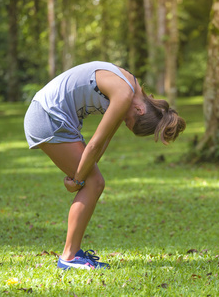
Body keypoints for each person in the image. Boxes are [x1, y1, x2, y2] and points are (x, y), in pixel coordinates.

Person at [23, 61, 186, 270]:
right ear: (140, 109)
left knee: (94, 181)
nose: (125, 123)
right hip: (48, 115)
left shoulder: (130, 87)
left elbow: (105, 140)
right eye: (129, 121)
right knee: (94, 183)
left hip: (50, 113)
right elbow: (95, 143)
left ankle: (73, 253)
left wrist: (82, 173)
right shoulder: (124, 94)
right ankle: (69, 258)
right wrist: (80, 179)